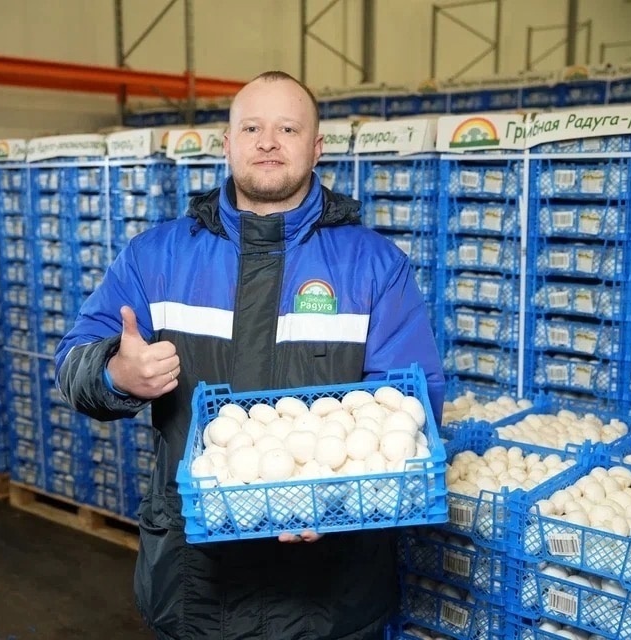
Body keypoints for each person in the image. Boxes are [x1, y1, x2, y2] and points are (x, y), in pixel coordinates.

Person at [55, 70, 445, 640]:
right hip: (195, 588)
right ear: (227, 143)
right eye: (252, 128)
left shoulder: (374, 267)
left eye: (288, 128)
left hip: (331, 599)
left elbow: (410, 409)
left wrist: (339, 499)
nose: (268, 142)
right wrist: (115, 371)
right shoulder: (155, 258)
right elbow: (72, 363)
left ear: (317, 147)